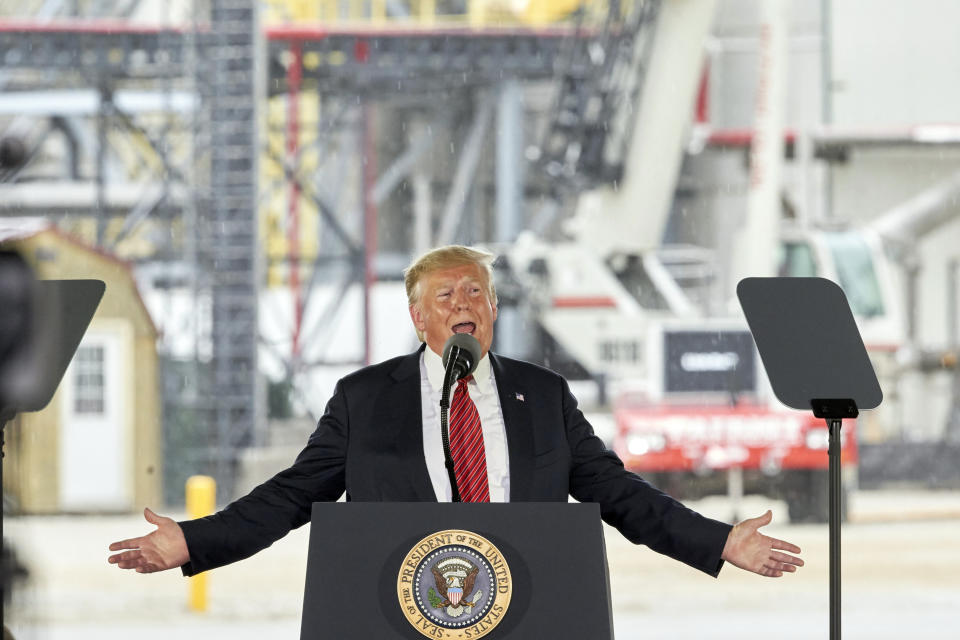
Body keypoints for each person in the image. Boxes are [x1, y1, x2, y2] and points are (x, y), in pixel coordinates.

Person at [109, 245, 802, 579]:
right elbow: (291, 497)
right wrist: (194, 541)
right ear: (417, 316)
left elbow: (621, 496)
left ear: (495, 309)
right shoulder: (363, 399)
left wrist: (718, 541)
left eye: (476, 293)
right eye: (445, 297)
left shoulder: (545, 396)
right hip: (402, 608)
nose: (464, 305)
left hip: (527, 605)